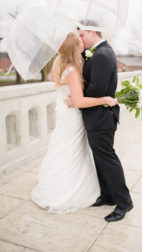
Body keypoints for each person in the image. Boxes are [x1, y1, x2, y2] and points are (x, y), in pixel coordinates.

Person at [31, 32, 118, 214]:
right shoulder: (71, 71)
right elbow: (79, 102)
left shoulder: (57, 63)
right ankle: (66, 192)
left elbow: (54, 80)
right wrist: (105, 99)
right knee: (72, 149)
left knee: (62, 147)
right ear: (74, 49)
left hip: (62, 112)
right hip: (72, 115)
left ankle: (52, 187)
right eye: (80, 43)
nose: (83, 45)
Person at [67, 20, 133, 222]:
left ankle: (124, 202)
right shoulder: (99, 53)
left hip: (102, 116)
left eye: (82, 35)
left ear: (92, 32)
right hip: (96, 116)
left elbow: (96, 89)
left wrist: (76, 96)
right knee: (100, 158)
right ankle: (108, 196)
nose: (80, 39)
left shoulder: (103, 54)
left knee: (108, 159)